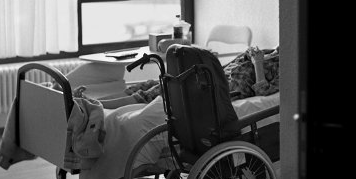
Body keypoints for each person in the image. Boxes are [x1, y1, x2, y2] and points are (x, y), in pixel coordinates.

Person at [74, 46, 279, 108]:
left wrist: (257, 63)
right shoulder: (269, 52)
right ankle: (90, 102)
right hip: (211, 78)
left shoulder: (287, 69)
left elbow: (264, 91)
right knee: (153, 82)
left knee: (161, 89)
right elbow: (226, 67)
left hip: (222, 91)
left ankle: (93, 105)